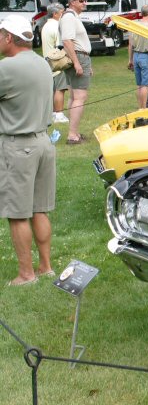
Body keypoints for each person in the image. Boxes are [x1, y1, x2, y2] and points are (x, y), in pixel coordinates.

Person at [0, 15, 56, 286]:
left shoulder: (7, 67)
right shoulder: (42, 63)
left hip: (19, 145)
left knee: (18, 213)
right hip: (44, 142)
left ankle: (26, 274)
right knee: (39, 210)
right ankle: (45, 267)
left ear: (9, 37)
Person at [58, 0, 92, 144]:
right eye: (81, 1)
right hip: (77, 57)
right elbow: (67, 41)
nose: (85, 3)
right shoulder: (69, 17)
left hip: (80, 57)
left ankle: (74, 132)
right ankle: (72, 135)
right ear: (72, 2)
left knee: (74, 97)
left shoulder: (72, 17)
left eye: (85, 0)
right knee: (79, 97)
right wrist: (77, 63)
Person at [127, 5, 148, 110]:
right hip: (146, 57)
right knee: (145, 85)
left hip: (136, 56)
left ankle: (140, 108)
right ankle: (143, 109)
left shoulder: (134, 25)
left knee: (139, 85)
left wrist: (130, 60)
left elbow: (130, 44)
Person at [40, 3, 68, 124]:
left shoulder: (45, 26)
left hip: (47, 61)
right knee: (60, 89)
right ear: (55, 14)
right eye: (62, 12)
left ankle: (52, 113)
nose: (64, 15)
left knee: (52, 89)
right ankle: (59, 114)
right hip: (58, 62)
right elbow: (60, 46)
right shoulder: (57, 26)